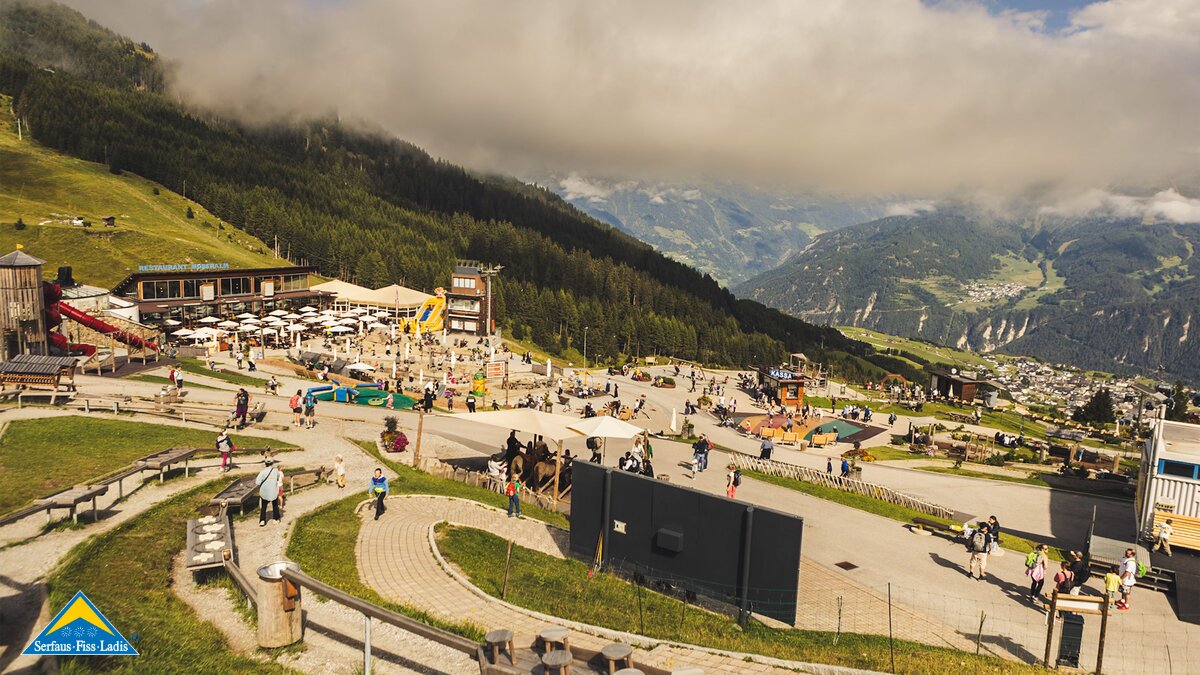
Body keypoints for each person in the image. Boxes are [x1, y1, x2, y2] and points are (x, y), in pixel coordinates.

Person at [256, 459, 282, 526]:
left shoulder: (262, 472)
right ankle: (275, 519)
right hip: (273, 490)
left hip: (265, 491)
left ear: (265, 463)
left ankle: (262, 520)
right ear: (272, 463)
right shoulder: (276, 471)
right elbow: (278, 477)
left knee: (264, 506)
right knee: (275, 505)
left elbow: (257, 482)